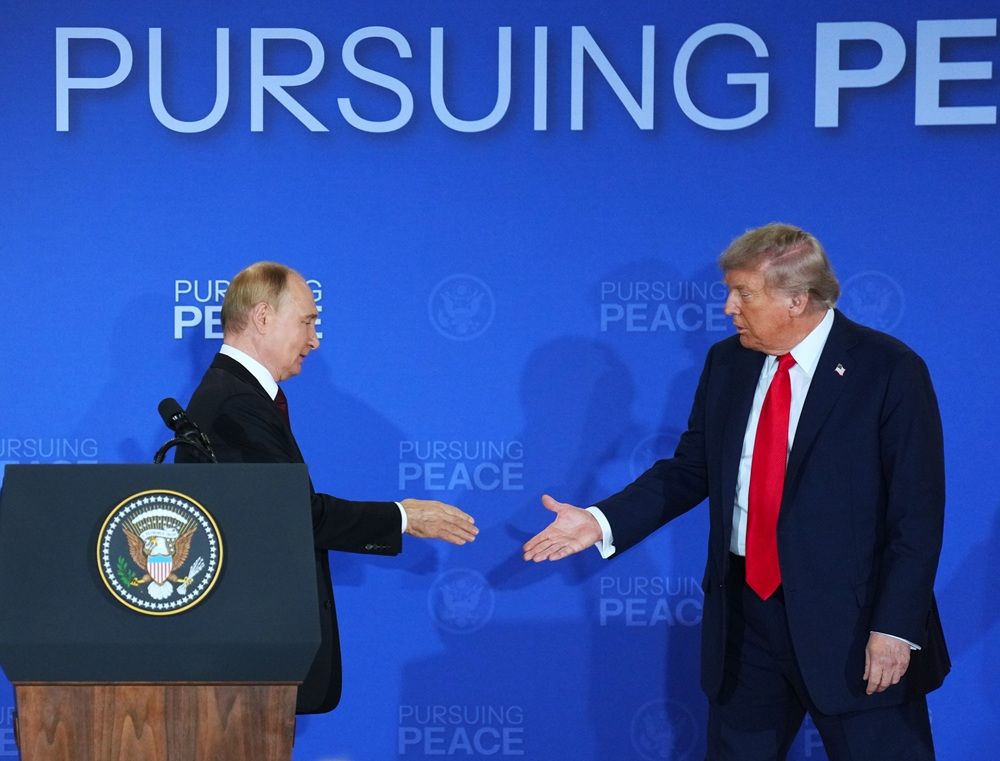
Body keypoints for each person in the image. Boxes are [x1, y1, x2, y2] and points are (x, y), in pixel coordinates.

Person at [523, 223, 949, 760]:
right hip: (746, 621)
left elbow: (917, 514)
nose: (728, 308)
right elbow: (690, 470)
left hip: (856, 629)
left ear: (797, 299)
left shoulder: (887, 370)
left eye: (743, 293)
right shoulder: (729, 363)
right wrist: (601, 520)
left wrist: (894, 627)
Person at [177, 261, 478, 715]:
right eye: (307, 322)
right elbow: (291, 516)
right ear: (262, 317)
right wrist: (404, 517)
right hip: (249, 654)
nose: (315, 340)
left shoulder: (237, 394)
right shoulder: (236, 403)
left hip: (248, 655)